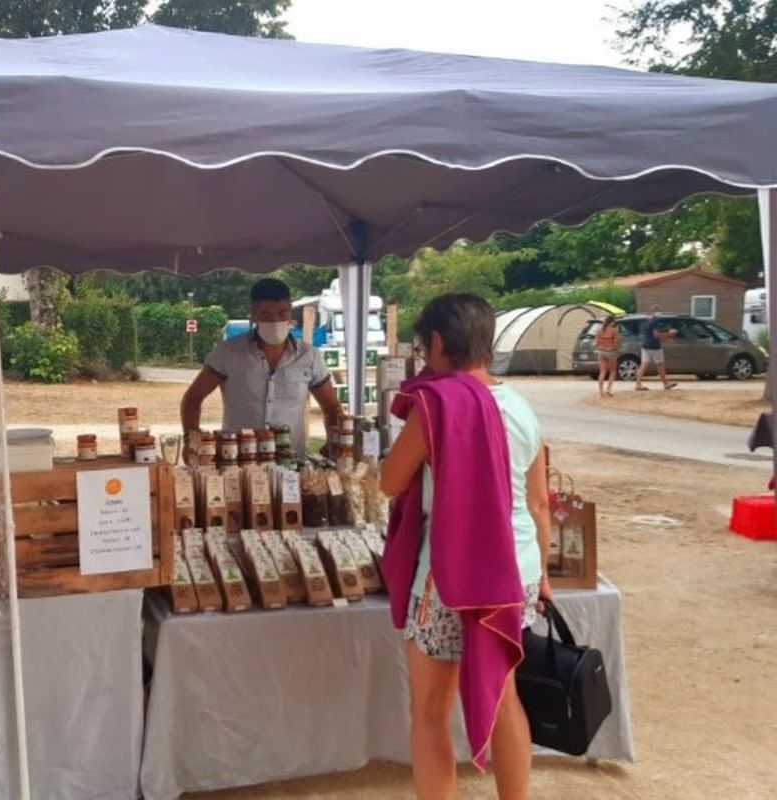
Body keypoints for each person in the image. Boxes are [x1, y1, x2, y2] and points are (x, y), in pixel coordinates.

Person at [380, 294, 552, 800]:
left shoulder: (435, 406)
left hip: (449, 574)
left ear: (436, 342)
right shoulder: (520, 406)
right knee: (504, 695)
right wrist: (542, 575)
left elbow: (390, 481)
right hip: (515, 569)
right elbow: (539, 503)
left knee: (430, 709)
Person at [180, 278, 343, 459]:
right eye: (266, 314)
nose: (275, 321)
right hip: (237, 461)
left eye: (282, 313)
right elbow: (193, 398)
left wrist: (334, 443)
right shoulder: (228, 352)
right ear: (253, 313)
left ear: (290, 312)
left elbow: (331, 407)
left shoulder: (309, 356)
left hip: (291, 463)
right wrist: (190, 439)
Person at [636, 306, 677, 391]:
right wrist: (669, 334)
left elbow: (650, 334)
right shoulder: (655, 321)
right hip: (654, 346)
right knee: (660, 365)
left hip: (645, 345)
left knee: (644, 365)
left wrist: (665, 338)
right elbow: (656, 335)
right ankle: (665, 384)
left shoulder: (646, 321)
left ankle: (638, 384)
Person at [595, 315, 621, 397]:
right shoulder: (614, 330)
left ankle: (601, 391)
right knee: (613, 371)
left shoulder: (599, 330)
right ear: (612, 322)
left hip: (601, 351)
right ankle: (608, 389)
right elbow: (616, 343)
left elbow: (595, 343)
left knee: (602, 372)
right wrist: (617, 349)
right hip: (611, 351)